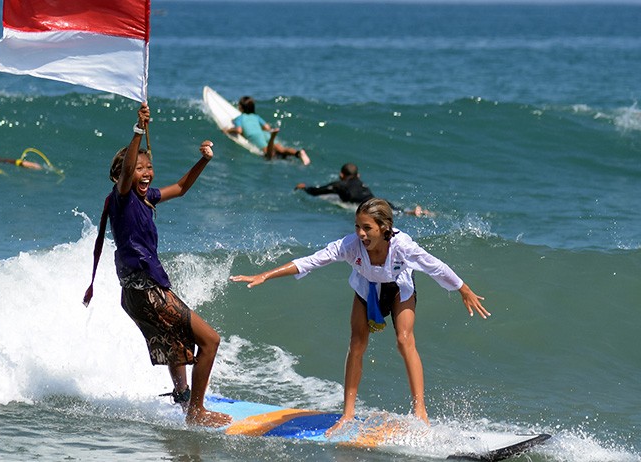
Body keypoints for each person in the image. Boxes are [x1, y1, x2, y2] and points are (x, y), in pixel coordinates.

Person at [230, 198, 489, 433]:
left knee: (404, 340)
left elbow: (436, 267)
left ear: (384, 227)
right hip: (367, 289)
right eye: (357, 227)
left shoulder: (402, 246)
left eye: (367, 228)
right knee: (356, 344)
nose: (361, 233)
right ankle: (348, 414)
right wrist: (266, 275)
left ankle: (420, 411)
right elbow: (311, 261)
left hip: (398, 288)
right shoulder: (350, 246)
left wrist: (463, 289)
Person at [82, 103, 231, 428]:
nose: (146, 172)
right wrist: (138, 129)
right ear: (122, 175)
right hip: (147, 290)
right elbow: (126, 174)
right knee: (210, 341)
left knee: (175, 342)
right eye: (139, 168)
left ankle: (183, 398)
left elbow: (181, 188)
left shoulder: (146, 198)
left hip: (134, 293)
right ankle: (196, 412)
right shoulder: (122, 198)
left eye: (149, 167)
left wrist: (204, 160)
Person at [295, 163, 435, 217]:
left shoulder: (339, 185)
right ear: (358, 175)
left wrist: (304, 188)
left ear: (342, 175)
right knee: (398, 211)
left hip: (365, 205)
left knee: (389, 213)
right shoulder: (360, 182)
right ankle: (415, 212)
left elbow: (317, 192)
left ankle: (412, 213)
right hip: (378, 200)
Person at [224, 96, 311, 165]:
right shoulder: (256, 117)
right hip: (264, 134)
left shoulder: (240, 118)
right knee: (281, 149)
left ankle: (272, 138)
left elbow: (239, 130)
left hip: (254, 136)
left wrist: (228, 130)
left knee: (268, 155)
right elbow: (267, 127)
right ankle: (298, 153)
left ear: (241, 107)